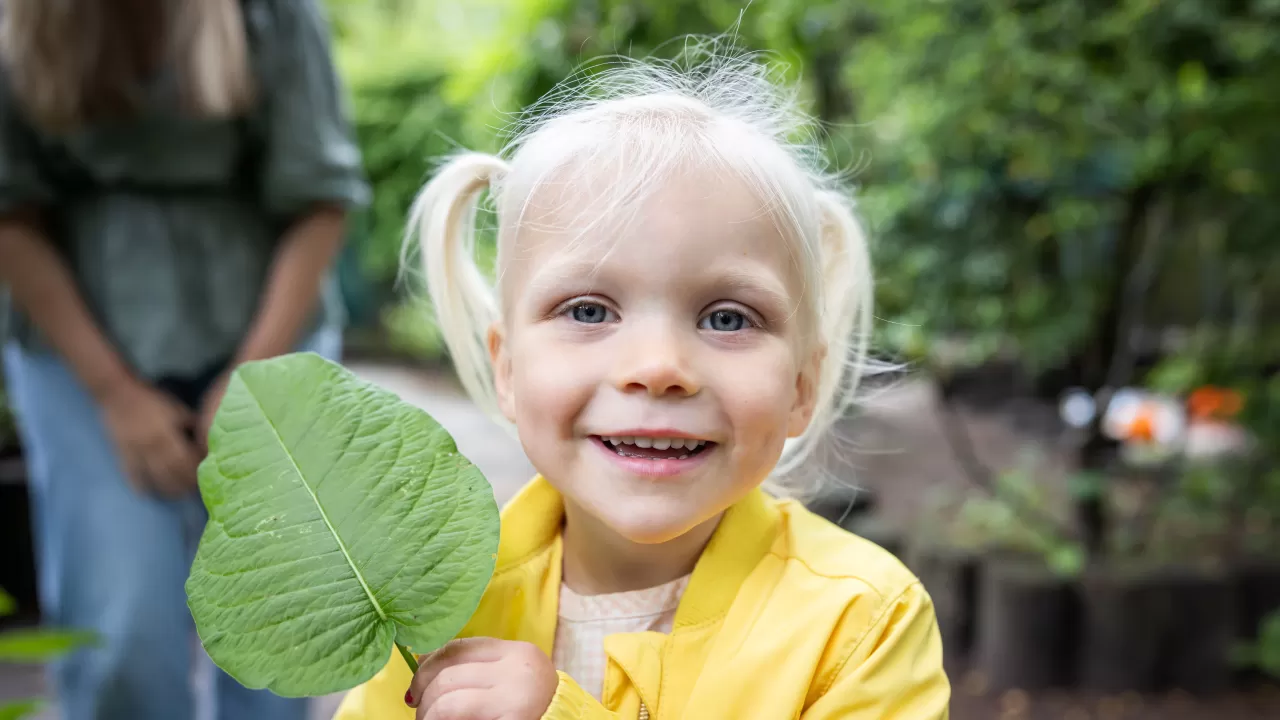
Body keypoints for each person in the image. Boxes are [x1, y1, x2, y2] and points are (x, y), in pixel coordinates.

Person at [335, 40, 950, 720]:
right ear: (506, 369)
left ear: (804, 384)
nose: (658, 367)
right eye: (590, 310)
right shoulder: (430, 603)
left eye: (726, 318)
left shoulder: (862, 622)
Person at [0, 1, 368, 719]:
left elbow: (322, 198)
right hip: (79, 348)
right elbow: (10, 214)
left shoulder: (277, 17)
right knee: (120, 634)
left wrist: (251, 377)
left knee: (277, 631)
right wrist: (114, 392)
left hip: (267, 329)